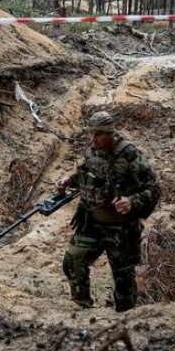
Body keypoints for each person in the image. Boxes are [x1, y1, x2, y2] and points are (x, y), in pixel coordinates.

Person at [56, 111, 160, 312]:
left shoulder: (129, 155)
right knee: (72, 261)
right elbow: (88, 172)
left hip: (120, 228)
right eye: (91, 134)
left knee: (123, 278)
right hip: (91, 220)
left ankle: (125, 317)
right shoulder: (92, 150)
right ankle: (82, 309)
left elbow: (154, 189)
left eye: (98, 134)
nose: (93, 139)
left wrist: (132, 201)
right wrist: (70, 180)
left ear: (110, 133)